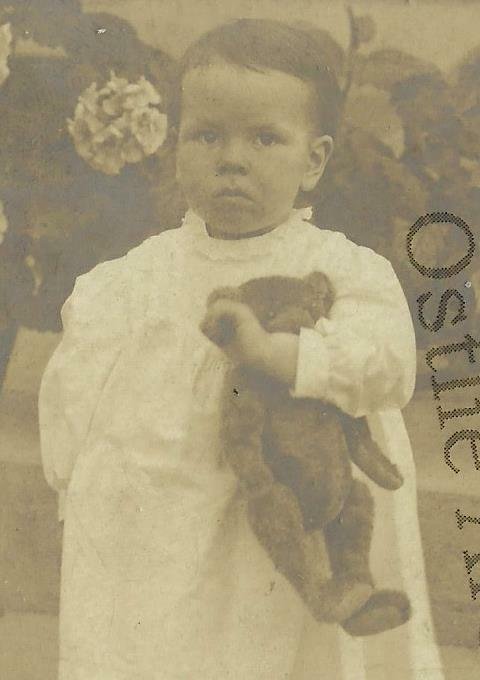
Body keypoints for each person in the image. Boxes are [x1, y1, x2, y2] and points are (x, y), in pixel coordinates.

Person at [39, 18, 445, 680]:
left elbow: (388, 366)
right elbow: (72, 387)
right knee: (158, 640)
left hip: (298, 507)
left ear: (313, 160)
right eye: (207, 135)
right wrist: (75, 488)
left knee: (285, 650)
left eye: (264, 138)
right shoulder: (131, 281)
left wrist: (290, 358)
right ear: (175, 148)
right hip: (161, 515)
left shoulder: (344, 272)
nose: (232, 158)